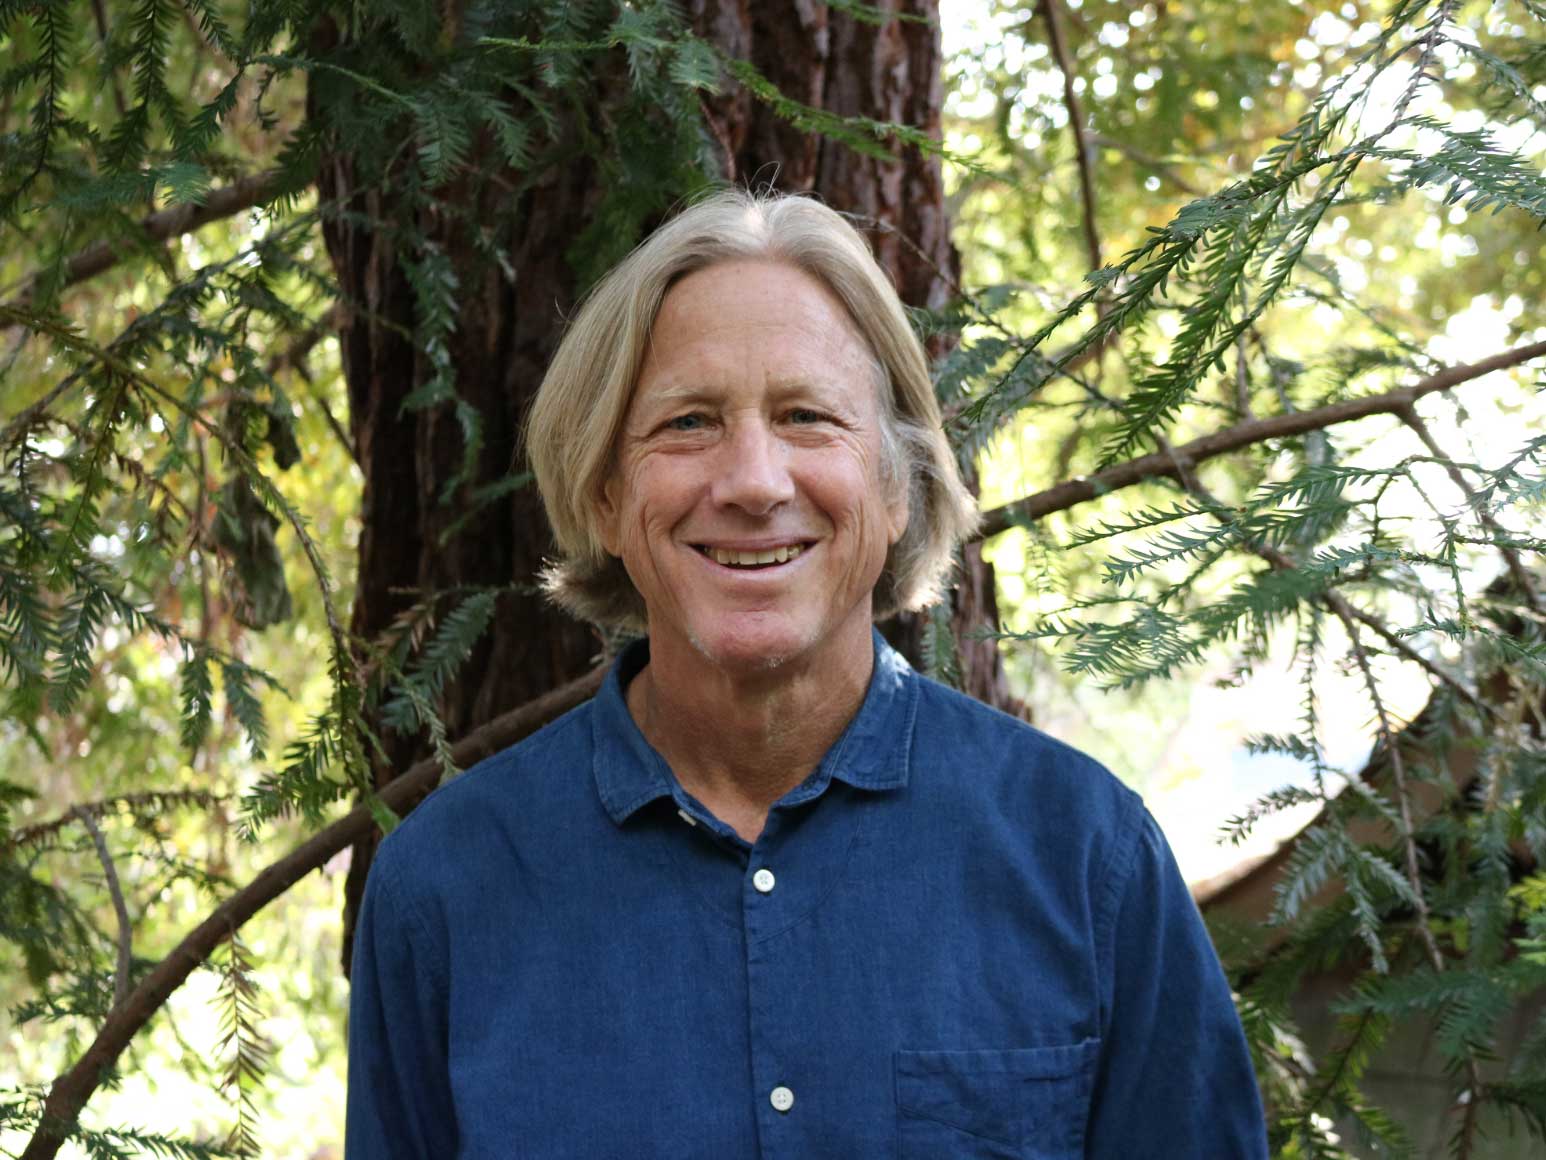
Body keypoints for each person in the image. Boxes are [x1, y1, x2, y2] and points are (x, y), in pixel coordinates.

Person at [344, 189, 1269, 1158]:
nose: (752, 479)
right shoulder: (444, 891)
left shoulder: (1086, 859)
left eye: (806, 416)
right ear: (607, 494)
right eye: (690, 422)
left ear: (896, 485)